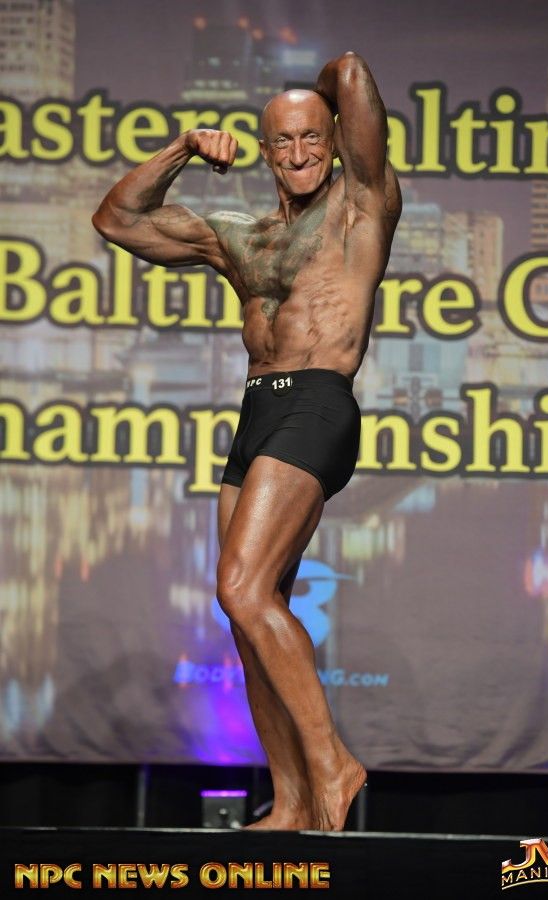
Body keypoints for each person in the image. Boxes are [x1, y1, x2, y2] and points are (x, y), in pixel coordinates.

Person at [92, 51, 401, 831]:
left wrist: (323, 100)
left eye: (313, 137)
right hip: (258, 414)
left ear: (335, 142)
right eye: (283, 141)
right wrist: (182, 149)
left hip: (316, 407)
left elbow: (351, 73)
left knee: (241, 586)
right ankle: (293, 801)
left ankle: (332, 765)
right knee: (248, 614)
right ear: (264, 152)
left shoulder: (362, 205)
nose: (299, 153)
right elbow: (117, 219)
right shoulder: (241, 236)